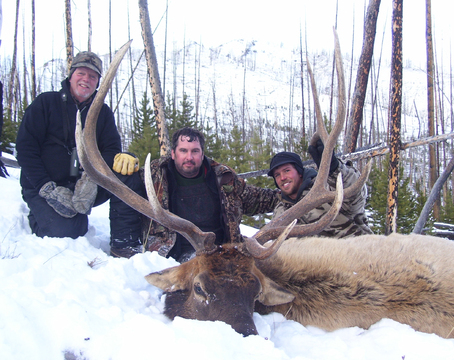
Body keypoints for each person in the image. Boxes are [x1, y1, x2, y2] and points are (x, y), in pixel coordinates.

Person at [16, 51, 145, 258]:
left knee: (127, 176)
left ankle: (125, 244)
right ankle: (39, 217)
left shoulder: (102, 112)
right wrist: (45, 187)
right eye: (81, 73)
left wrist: (97, 175)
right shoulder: (45, 103)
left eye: (92, 76)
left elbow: (111, 151)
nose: (86, 79)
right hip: (45, 187)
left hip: (85, 189)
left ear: (97, 83)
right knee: (70, 231)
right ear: (71, 75)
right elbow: (25, 149)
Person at [141, 127, 279, 263]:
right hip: (169, 261)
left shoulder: (223, 179)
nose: (189, 157)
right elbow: (124, 197)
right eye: (183, 151)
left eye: (195, 151)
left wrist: (291, 192)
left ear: (202, 154)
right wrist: (127, 160)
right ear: (173, 153)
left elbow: (258, 199)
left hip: (220, 257)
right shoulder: (153, 177)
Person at [267, 139, 372, 238]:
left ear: (299, 172)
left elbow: (355, 195)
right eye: (277, 175)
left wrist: (334, 169)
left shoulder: (325, 189)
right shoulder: (280, 211)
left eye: (287, 171)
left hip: (358, 251)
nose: (282, 178)